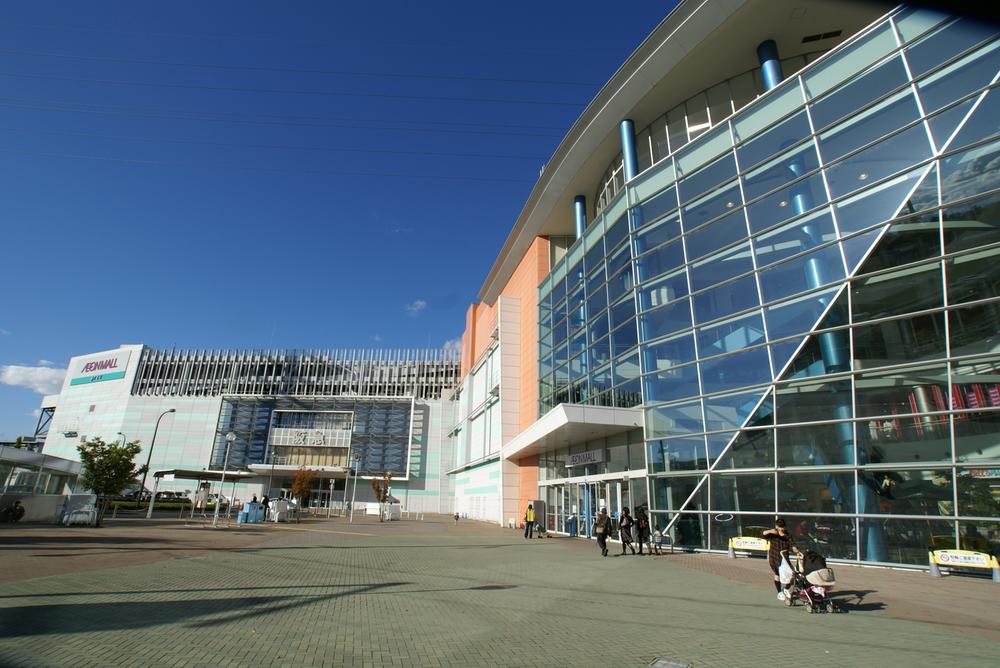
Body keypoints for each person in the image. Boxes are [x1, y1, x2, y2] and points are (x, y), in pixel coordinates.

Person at [763, 518, 799, 600]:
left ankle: (785, 589)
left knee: (793, 574)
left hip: (785, 558)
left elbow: (792, 544)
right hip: (774, 557)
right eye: (779, 527)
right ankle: (779, 592)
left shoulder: (788, 535)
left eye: (783, 527)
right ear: (776, 526)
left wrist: (794, 548)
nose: (781, 529)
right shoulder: (773, 534)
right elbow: (763, 534)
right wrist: (770, 531)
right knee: (777, 574)